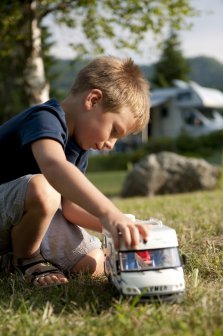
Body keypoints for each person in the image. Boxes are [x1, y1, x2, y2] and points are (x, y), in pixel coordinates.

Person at [0, 55, 150, 288]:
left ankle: (9, 260)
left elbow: (70, 208)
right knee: (43, 189)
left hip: (19, 223)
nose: (111, 145)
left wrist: (120, 226)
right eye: (114, 131)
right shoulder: (44, 118)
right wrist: (108, 212)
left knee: (93, 263)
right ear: (93, 99)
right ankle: (28, 259)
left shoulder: (78, 146)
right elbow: (54, 166)